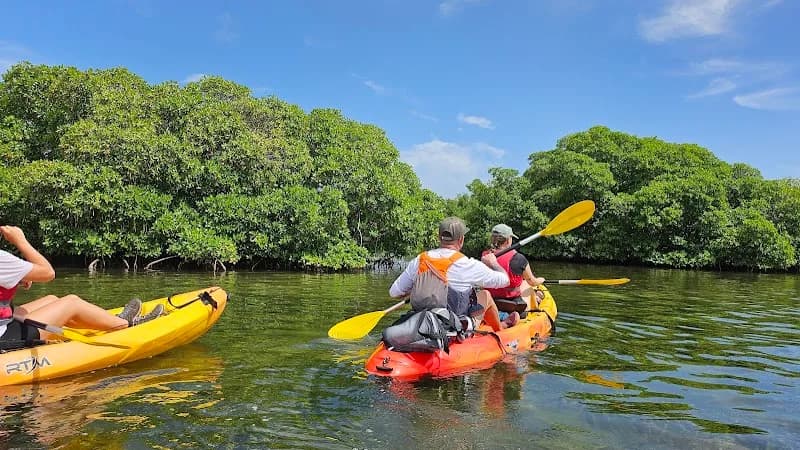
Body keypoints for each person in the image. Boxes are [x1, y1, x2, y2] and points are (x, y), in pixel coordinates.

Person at [0, 225, 162, 345]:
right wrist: (20, 241)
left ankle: (102, 321)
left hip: (6, 323)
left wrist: (17, 278)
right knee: (71, 303)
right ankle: (124, 324)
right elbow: (48, 273)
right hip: (5, 337)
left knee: (51, 299)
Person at [388, 217, 514, 332]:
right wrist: (494, 263)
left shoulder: (420, 260)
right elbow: (505, 280)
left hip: (421, 321)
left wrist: (416, 289)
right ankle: (500, 331)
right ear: (461, 239)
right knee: (485, 295)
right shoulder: (467, 264)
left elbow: (394, 292)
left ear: (439, 237)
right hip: (454, 325)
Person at [479, 224, 545, 327]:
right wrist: (541, 280)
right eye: (511, 238)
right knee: (528, 286)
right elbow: (532, 281)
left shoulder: (485, 256)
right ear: (507, 240)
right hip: (512, 306)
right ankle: (535, 303)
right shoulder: (519, 258)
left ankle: (499, 316)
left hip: (491, 302)